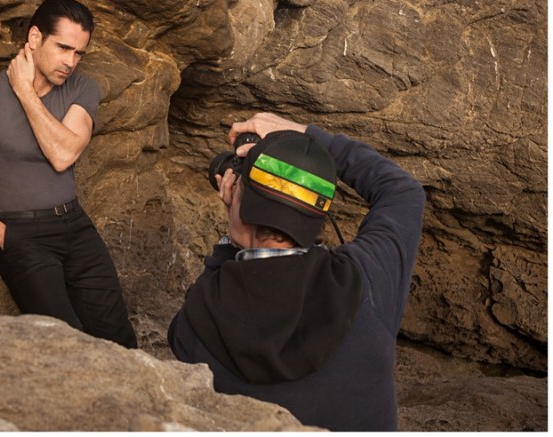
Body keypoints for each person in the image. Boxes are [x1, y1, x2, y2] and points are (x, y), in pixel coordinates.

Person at [168, 112, 425, 431]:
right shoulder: (367, 280)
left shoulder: (199, 320)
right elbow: (403, 191)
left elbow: (179, 338)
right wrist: (306, 136)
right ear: (317, 216)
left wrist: (232, 241)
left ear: (240, 207)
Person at [0, 0, 137, 349]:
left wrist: (24, 92)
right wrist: (2, 236)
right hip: (20, 233)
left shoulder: (82, 88)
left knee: (118, 336)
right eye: (63, 47)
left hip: (75, 225)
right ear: (34, 38)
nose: (70, 62)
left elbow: (63, 154)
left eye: (79, 53)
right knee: (63, 342)